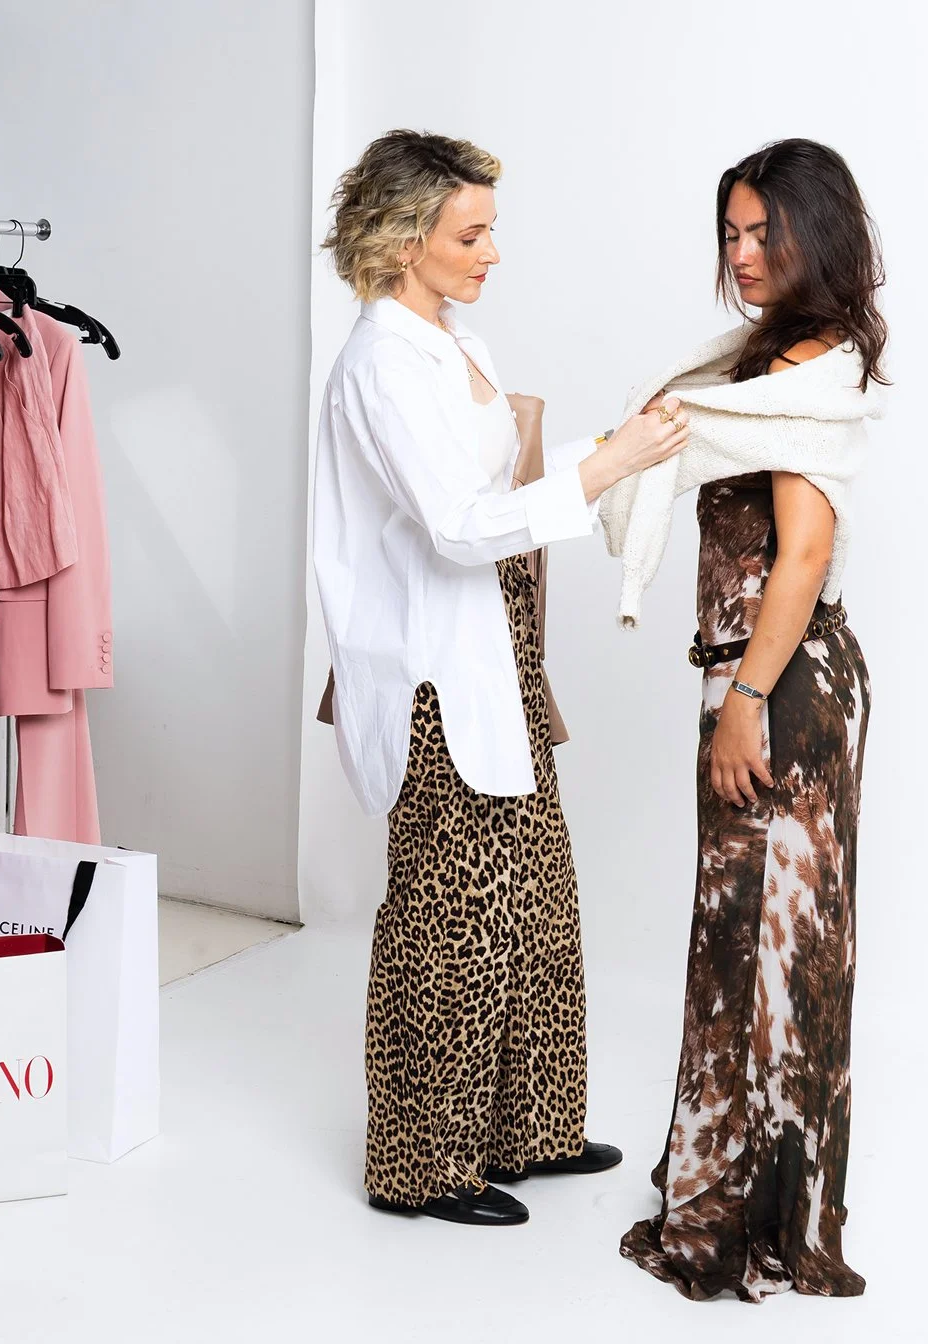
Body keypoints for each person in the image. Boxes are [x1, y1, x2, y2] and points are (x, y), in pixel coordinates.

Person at [313, 129, 689, 1227]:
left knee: (532, 901)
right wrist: (608, 468)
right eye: (470, 234)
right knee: (451, 919)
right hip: (435, 675)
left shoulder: (450, 338)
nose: (491, 253)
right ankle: (421, 1165)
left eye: (491, 232)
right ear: (404, 240)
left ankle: (528, 1130)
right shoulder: (381, 365)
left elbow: (500, 484)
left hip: (503, 654)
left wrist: (612, 445)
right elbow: (457, 525)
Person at [613, 138, 886, 1298]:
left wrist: (741, 705)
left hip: (779, 685)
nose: (740, 254)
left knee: (766, 954)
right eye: (728, 233)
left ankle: (752, 1220)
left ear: (810, 234)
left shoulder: (800, 367)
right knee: (750, 946)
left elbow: (802, 553)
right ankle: (746, 1193)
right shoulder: (774, 358)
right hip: (771, 678)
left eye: (761, 232)